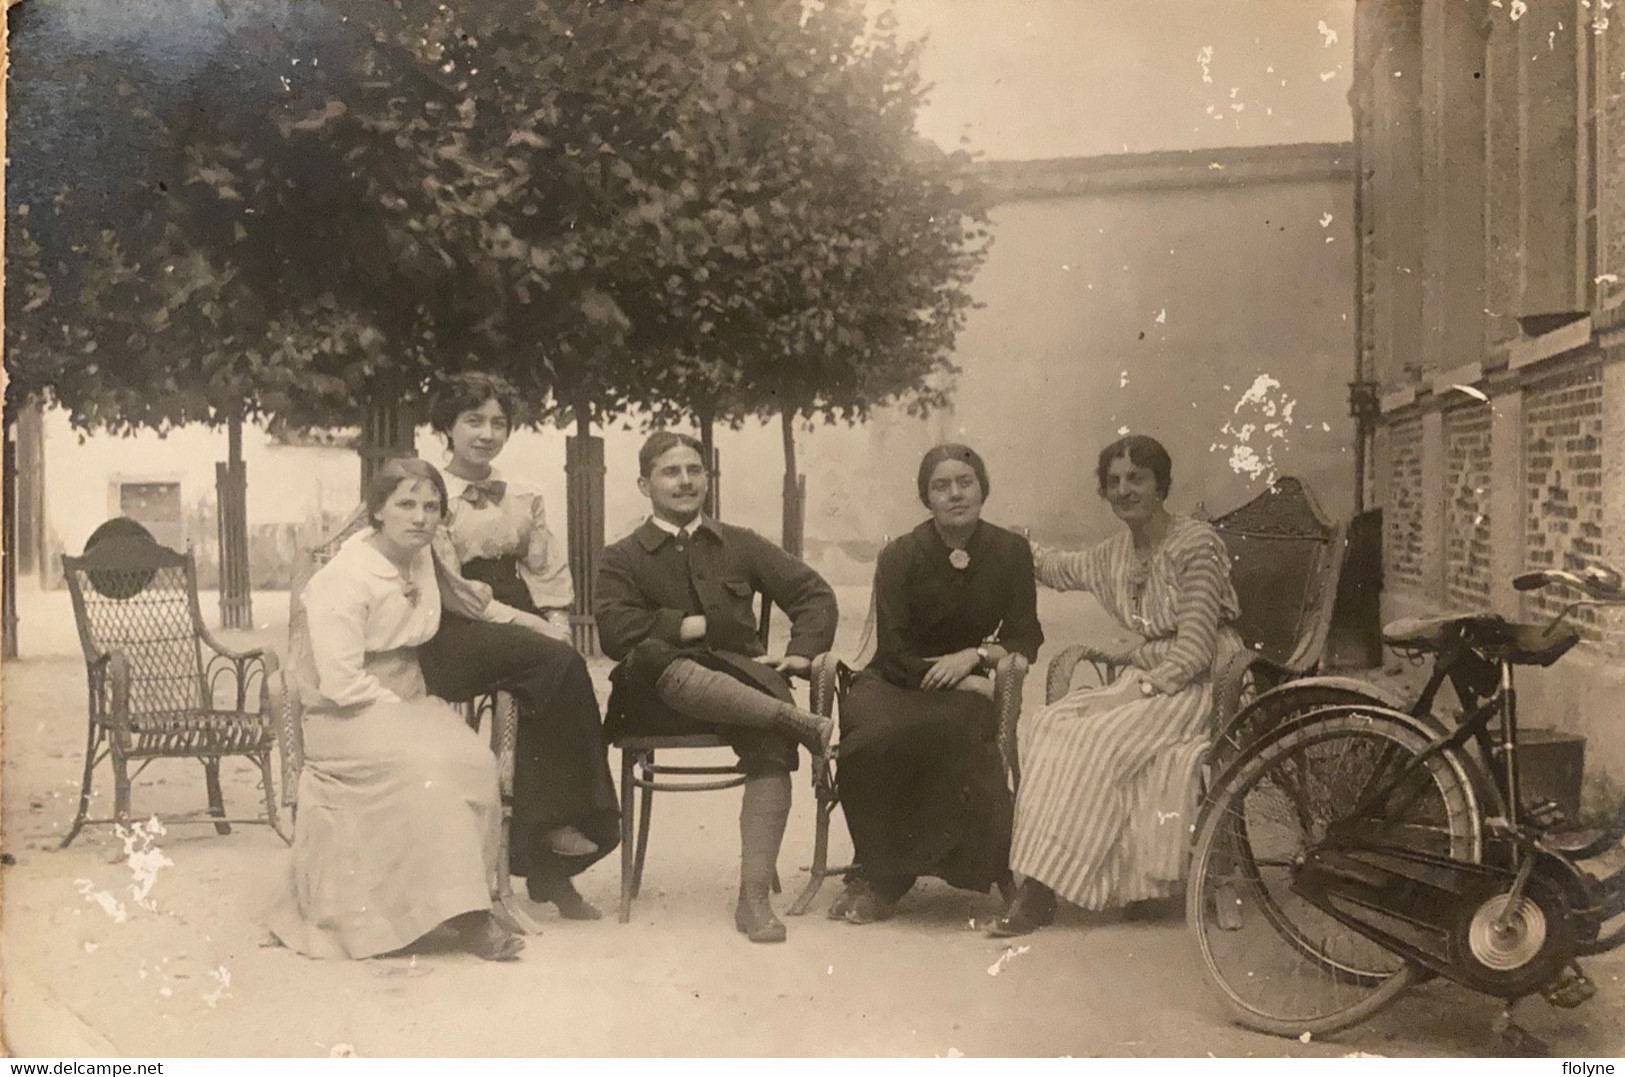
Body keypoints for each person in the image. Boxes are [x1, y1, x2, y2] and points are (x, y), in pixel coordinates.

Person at [269, 458, 522, 961]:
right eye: (405, 504)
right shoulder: (343, 578)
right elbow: (340, 681)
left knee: (472, 761)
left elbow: (471, 603)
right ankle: (459, 919)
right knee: (424, 767)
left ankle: (461, 902)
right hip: (344, 710)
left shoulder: (423, 558)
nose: (420, 517)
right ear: (377, 511)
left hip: (407, 697)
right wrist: (404, 716)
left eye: (431, 506)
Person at [992, 434, 1243, 937]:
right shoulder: (1115, 553)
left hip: (1195, 685)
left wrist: (1136, 693)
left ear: (1161, 485)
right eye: (1114, 482)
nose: (1124, 490)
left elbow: (1194, 651)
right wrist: (989, 537)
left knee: (1096, 738)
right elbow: (1054, 567)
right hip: (1147, 677)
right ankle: (1044, 884)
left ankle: (1040, 894)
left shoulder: (1197, 545)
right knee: (1051, 724)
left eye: (1137, 478)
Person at [594, 432, 838, 943]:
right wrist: (699, 626)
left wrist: (798, 653)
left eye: (694, 470)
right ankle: (794, 721)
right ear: (644, 484)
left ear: (706, 479)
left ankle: (753, 898)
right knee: (653, 652)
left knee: (768, 732)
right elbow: (617, 633)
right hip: (656, 701)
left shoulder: (739, 543)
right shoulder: (622, 557)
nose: (685, 481)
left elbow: (813, 593)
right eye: (670, 471)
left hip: (738, 693)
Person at [415, 372, 619, 921]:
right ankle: (556, 840)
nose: (486, 434)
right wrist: (537, 630)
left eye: (498, 423)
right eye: (473, 421)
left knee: (557, 667)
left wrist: (552, 618)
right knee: (557, 661)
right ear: (448, 429)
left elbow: (548, 572)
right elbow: (457, 594)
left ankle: (551, 860)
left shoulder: (524, 495)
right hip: (454, 629)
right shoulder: (430, 498)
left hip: (519, 621)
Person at [829, 444, 1043, 925]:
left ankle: (968, 868)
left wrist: (976, 658)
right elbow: (894, 647)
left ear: (982, 488)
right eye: (940, 486)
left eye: (964, 482)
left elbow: (1026, 634)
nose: (955, 494)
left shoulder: (1009, 552)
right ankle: (882, 877)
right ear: (926, 498)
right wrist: (957, 681)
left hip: (965, 679)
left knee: (961, 737)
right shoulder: (901, 555)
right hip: (896, 680)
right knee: (870, 744)